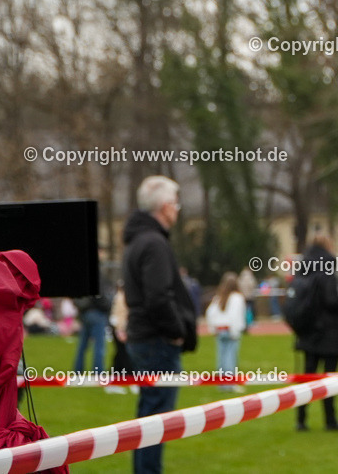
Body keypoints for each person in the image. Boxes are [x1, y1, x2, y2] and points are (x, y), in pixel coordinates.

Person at [123, 176, 198, 474]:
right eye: (175, 204)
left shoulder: (139, 240)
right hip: (156, 341)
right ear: (166, 207)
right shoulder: (153, 243)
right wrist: (177, 331)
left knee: (148, 417)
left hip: (144, 337)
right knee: (158, 421)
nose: (177, 210)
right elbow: (158, 298)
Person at [293, 234, 338, 432]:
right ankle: (330, 419)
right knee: (329, 378)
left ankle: (301, 419)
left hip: (307, 329)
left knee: (307, 376)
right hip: (329, 331)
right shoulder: (328, 267)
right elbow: (331, 300)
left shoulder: (303, 267)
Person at [72, 253, 115, 375]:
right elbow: (99, 296)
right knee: (99, 345)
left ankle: (78, 370)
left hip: (85, 313)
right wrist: (107, 306)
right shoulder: (98, 276)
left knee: (82, 345)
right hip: (97, 313)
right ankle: (98, 371)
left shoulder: (83, 275)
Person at [205, 272, 246, 392]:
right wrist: (235, 330)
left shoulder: (219, 297)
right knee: (230, 358)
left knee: (221, 358)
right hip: (230, 330)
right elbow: (236, 316)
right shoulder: (237, 297)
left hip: (220, 330)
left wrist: (212, 328)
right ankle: (230, 384)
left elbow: (210, 313)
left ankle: (221, 383)